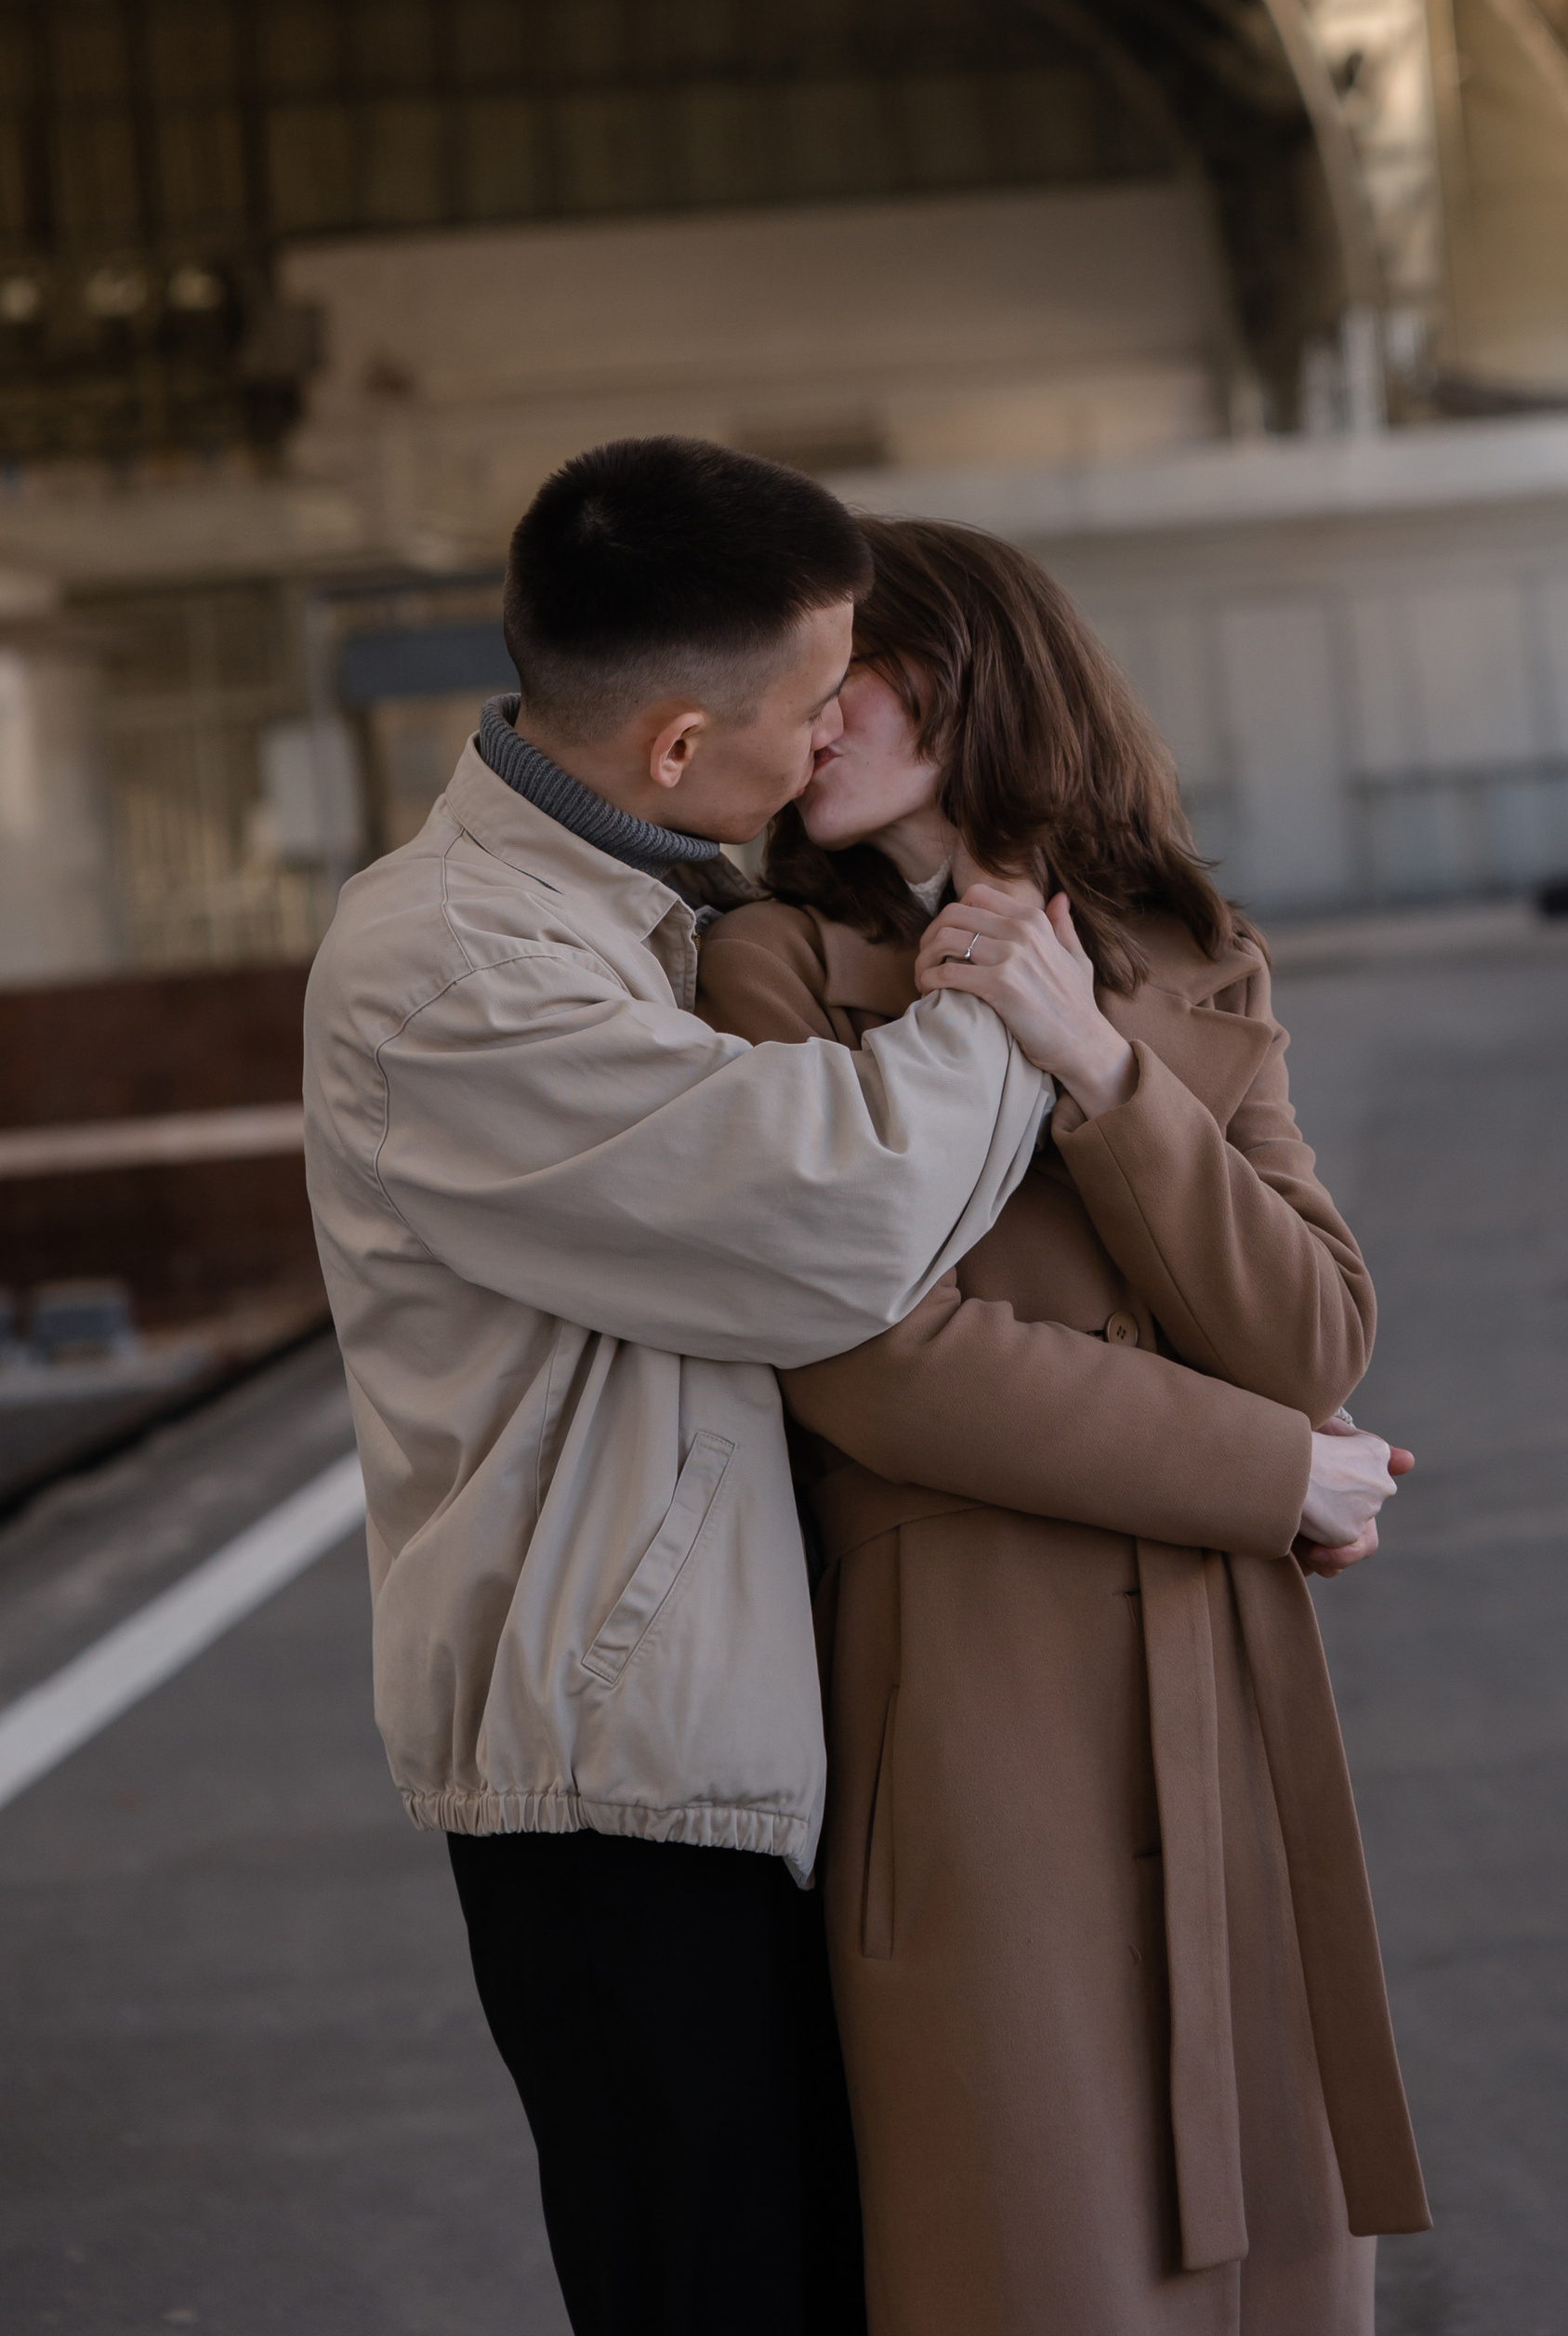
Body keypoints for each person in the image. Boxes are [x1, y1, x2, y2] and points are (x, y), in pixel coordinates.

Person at [303, 438, 1106, 2336]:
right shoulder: (450, 968)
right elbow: (838, 1218)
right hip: (616, 1783)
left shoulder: (640, 907)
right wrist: (1003, 992)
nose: (835, 732)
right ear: (677, 743)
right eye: (816, 696)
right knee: (720, 2290)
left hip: (717, 1736)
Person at [698, 517, 1430, 2336]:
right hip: (963, 1701)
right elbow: (867, 1356)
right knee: (1032, 2240)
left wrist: (1093, 1061)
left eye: (839, 667)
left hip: (1217, 1681)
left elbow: (1309, 1324)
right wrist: (1268, 1470)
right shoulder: (771, 970)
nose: (799, 715)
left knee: (1261, 2242)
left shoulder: (1188, 958)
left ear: (961, 677)